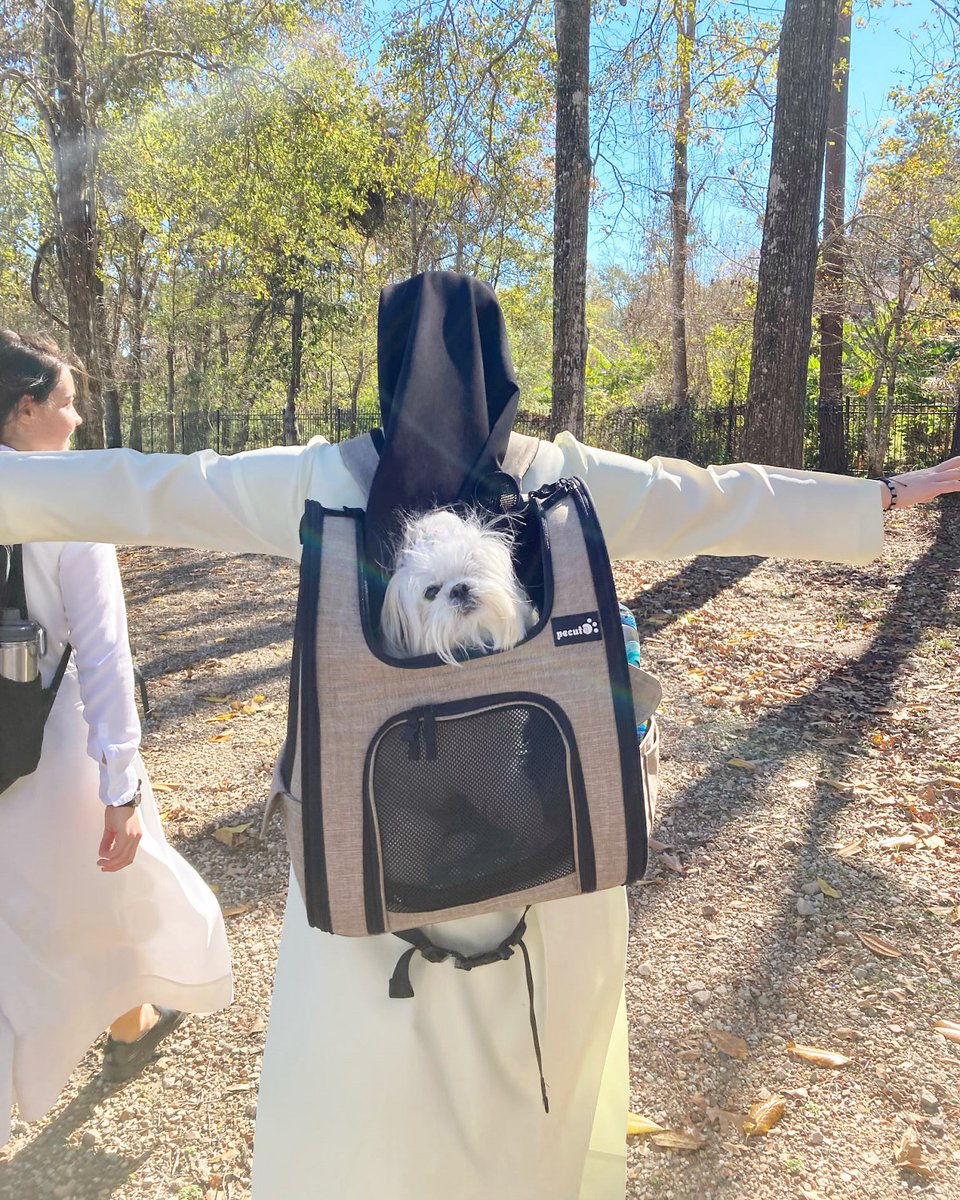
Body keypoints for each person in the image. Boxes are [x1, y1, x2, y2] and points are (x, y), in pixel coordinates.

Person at [0, 276, 956, 1199]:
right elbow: (706, 498)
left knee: (369, 1108)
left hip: (369, 861)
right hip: (551, 857)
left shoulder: (325, 477)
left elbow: (146, 489)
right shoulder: (554, 476)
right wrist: (880, 496)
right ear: (504, 368)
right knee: (530, 1101)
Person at [0, 331, 232, 1149]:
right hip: (55, 747)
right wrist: (122, 782)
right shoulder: (69, 497)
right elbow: (102, 652)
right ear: (24, 410)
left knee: (22, 924)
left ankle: (109, 1031)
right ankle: (129, 1025)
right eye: (65, 402)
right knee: (110, 894)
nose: (77, 418)